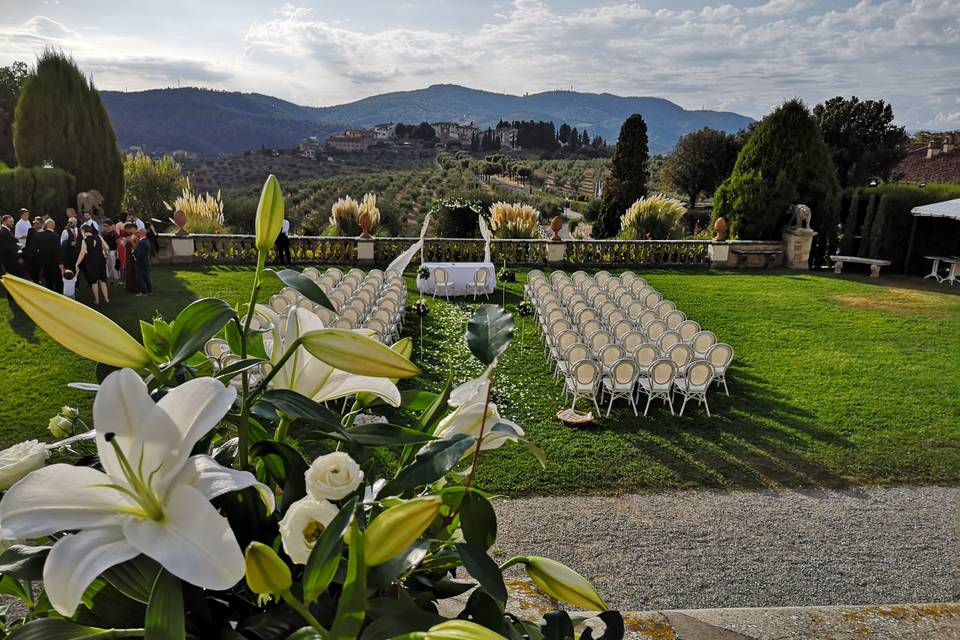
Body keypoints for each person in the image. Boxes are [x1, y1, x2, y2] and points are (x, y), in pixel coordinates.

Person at [75, 224, 110, 305]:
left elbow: (82, 253)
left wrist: (77, 263)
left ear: (83, 231)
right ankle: (107, 299)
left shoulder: (84, 240)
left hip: (90, 261)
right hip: (101, 260)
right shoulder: (98, 237)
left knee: (94, 282)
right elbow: (107, 248)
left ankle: (97, 300)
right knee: (102, 280)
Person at [33, 219, 63, 293]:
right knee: (58, 281)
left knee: (48, 280)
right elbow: (57, 252)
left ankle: (49, 293)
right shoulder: (55, 236)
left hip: (43, 262)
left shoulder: (38, 234)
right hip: (54, 263)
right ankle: (59, 294)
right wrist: (61, 265)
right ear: (53, 225)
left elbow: (35, 248)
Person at [23, 217, 44, 282]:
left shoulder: (45, 231)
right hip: (31, 255)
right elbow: (28, 243)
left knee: (39, 271)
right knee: (31, 271)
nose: (35, 225)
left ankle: (38, 281)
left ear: (42, 224)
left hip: (41, 256)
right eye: (34, 223)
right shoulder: (31, 230)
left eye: (37, 223)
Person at [132, 228, 153, 296]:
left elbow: (140, 254)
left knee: (140, 278)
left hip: (141, 262)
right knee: (146, 277)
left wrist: (136, 259)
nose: (137, 234)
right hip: (145, 262)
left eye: (138, 232)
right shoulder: (146, 241)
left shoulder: (142, 242)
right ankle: (149, 291)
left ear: (141, 233)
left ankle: (144, 292)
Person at [122, 223, 140, 294]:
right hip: (128, 256)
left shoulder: (137, 236)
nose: (127, 231)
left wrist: (131, 241)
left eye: (128, 229)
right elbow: (123, 245)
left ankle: (135, 288)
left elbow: (136, 247)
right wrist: (125, 241)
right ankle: (129, 287)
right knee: (128, 272)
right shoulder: (128, 236)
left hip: (134, 257)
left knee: (133, 272)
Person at [101, 220, 120, 284]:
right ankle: (109, 278)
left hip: (113, 251)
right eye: (104, 226)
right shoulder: (103, 233)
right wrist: (105, 251)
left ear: (110, 226)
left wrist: (117, 251)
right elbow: (102, 243)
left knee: (114, 264)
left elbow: (118, 243)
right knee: (107, 265)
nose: (105, 227)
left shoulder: (114, 233)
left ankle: (116, 278)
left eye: (107, 225)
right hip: (106, 251)